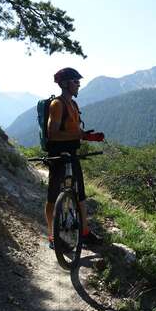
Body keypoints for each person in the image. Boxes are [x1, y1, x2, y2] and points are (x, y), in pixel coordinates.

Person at [45, 67, 104, 249]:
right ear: (65, 84)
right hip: (58, 155)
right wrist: (78, 137)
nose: (79, 84)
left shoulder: (73, 105)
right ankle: (53, 237)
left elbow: (73, 131)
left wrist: (87, 136)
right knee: (53, 196)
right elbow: (52, 134)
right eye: (75, 81)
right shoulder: (57, 105)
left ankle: (84, 232)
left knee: (80, 195)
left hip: (72, 153)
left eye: (79, 82)